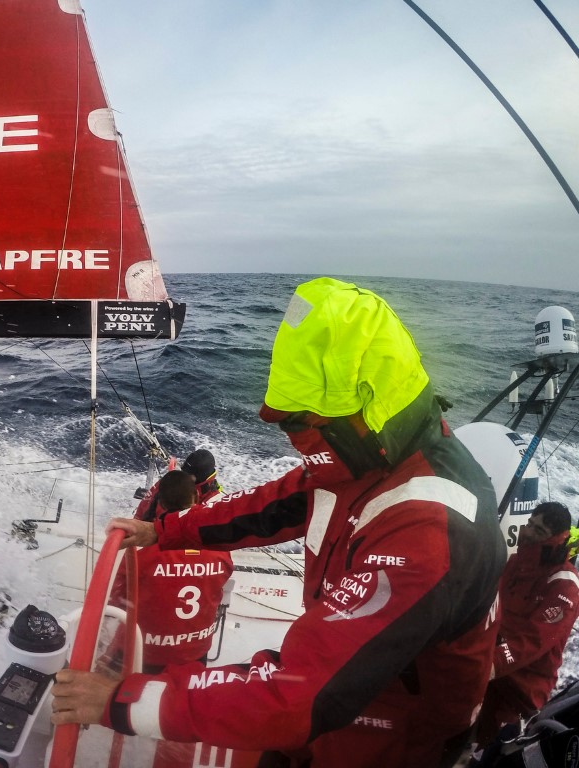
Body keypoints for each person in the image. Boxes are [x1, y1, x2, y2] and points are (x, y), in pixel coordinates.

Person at [51, 277, 507, 768]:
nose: (293, 439)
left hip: (391, 737)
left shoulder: (429, 531)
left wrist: (120, 699)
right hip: (334, 701)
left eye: (300, 423)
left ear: (367, 413)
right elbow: (273, 504)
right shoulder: (367, 458)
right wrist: (164, 529)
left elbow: (301, 694)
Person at [475, 501, 579, 745]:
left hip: (521, 689)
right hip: (489, 666)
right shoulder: (515, 563)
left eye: (539, 530)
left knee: (488, 749)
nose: (529, 532)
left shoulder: (565, 585)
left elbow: (534, 640)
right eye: (530, 524)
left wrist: (491, 664)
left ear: (558, 539)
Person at [115, 467, 233, 674]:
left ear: (160, 503)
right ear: (196, 498)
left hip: (144, 654)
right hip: (196, 655)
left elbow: (116, 600)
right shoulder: (221, 552)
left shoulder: (139, 556)